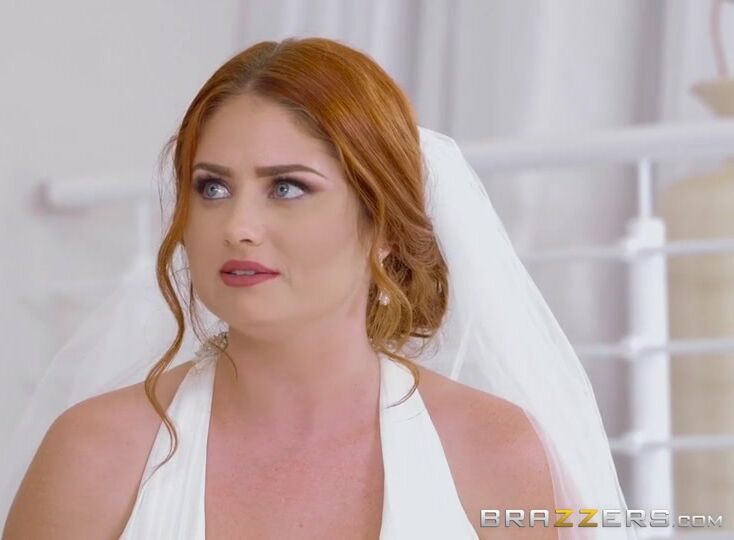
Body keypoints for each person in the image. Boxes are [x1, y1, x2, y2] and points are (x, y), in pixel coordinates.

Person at [2, 37, 636, 539]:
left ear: (383, 223)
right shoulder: (95, 455)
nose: (238, 226)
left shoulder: (495, 452)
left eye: (287, 187)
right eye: (212, 187)